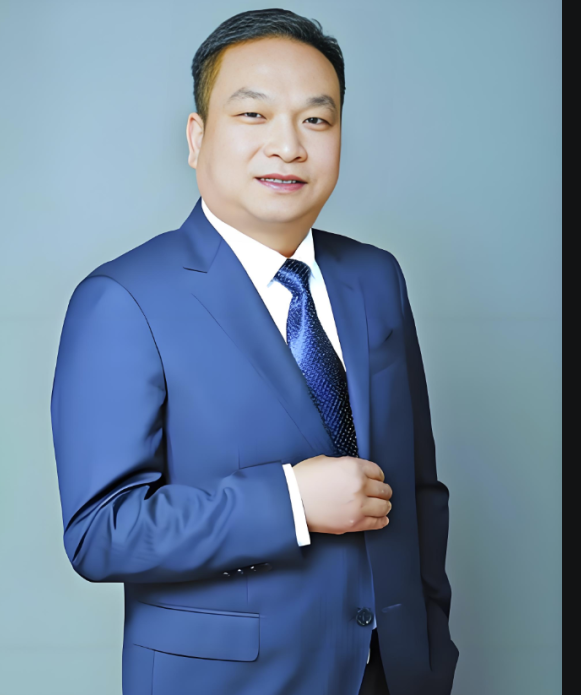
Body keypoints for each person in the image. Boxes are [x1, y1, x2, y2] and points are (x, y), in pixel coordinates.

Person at [51, 9, 457, 695]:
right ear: (197, 137)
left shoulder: (376, 277)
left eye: (316, 120)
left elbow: (419, 490)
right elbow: (101, 531)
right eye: (253, 115)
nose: (288, 146)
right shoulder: (122, 299)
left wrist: (430, 653)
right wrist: (292, 500)